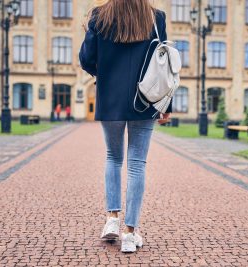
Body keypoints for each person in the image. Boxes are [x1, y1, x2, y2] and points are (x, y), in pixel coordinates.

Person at [79, 0, 172, 253]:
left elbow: (86, 58)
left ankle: (112, 219)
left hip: (110, 100)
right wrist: (166, 104)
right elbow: (163, 64)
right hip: (145, 100)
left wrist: (105, 74)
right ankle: (130, 234)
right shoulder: (156, 18)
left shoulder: (100, 16)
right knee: (137, 163)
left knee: (113, 158)